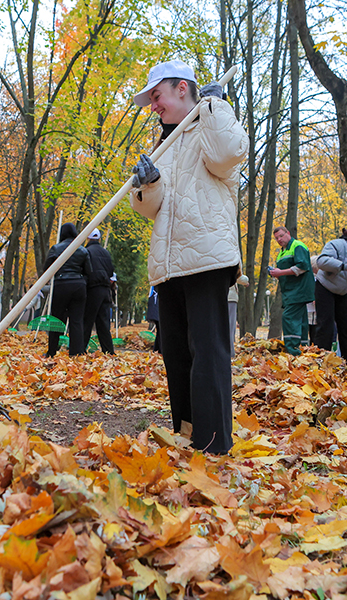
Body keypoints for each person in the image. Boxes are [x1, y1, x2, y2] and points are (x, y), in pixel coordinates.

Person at [129, 59, 248, 455]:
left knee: (208, 351)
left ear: (183, 88)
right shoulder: (164, 145)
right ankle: (187, 434)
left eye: (157, 96)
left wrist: (216, 107)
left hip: (208, 257)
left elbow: (228, 155)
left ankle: (213, 445)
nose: (154, 106)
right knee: (176, 353)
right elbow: (150, 208)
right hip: (169, 263)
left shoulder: (213, 125)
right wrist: (148, 184)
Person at [312, 224, 347, 362]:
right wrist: (343, 266)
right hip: (325, 288)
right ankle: (321, 361)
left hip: (342, 292)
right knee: (326, 327)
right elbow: (322, 262)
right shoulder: (336, 244)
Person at [42, 222, 92, 356]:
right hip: (78, 285)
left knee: (56, 319)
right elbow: (89, 271)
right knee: (77, 320)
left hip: (60, 284)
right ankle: (76, 352)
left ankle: (52, 350)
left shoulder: (56, 249)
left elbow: (46, 269)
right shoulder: (82, 250)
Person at [269, 226, 315, 356]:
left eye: (281, 236)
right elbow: (287, 272)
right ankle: (303, 347)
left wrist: (281, 272)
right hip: (290, 291)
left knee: (288, 317)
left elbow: (303, 266)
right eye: (276, 238)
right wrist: (276, 273)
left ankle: (292, 349)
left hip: (299, 290)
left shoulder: (297, 246)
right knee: (301, 318)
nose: (279, 239)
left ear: (288, 233)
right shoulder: (281, 253)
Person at [82, 228, 115, 354]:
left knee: (87, 321)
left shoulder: (86, 251)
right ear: (99, 239)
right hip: (105, 290)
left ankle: (80, 349)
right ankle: (109, 351)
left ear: (88, 238)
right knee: (103, 323)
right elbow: (111, 271)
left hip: (92, 289)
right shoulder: (106, 253)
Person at [227, 271, 250, 358]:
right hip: (230, 297)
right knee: (230, 327)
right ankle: (230, 354)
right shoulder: (229, 257)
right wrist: (246, 280)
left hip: (214, 297)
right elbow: (238, 276)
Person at [146, 285, 161, 352]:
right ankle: (159, 349)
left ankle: (157, 349)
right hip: (156, 309)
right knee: (160, 330)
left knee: (159, 331)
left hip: (155, 310)